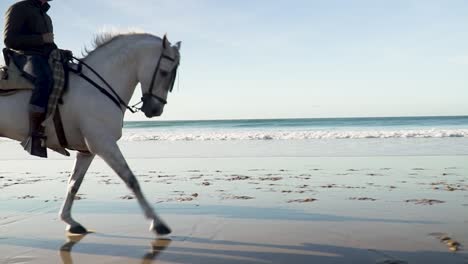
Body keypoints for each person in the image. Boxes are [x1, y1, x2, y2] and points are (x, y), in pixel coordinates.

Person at [4, 0, 56, 158]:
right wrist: (41, 39)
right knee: (44, 79)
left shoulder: (45, 15)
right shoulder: (19, 8)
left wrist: (58, 50)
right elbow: (9, 40)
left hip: (44, 57)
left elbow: (48, 43)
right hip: (23, 57)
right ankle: (34, 135)